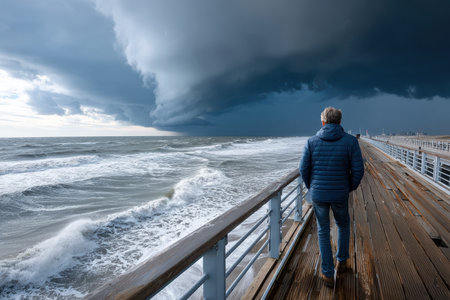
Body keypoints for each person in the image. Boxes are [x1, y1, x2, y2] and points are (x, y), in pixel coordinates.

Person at [299, 107, 364, 288]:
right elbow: (358, 169)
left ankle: (327, 273)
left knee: (323, 230)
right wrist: (349, 187)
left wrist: (312, 187)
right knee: (343, 224)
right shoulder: (350, 142)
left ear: (323, 122)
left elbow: (303, 169)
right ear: (340, 122)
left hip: (319, 194)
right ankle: (341, 262)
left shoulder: (311, 142)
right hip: (340, 193)